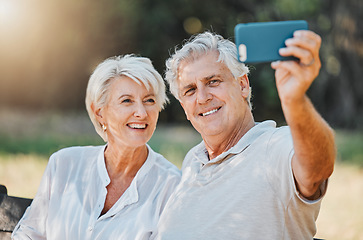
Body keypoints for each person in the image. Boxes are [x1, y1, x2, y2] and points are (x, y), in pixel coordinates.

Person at [154, 30, 336, 239]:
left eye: (213, 81)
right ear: (184, 107)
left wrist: (295, 101)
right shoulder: (192, 161)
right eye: (190, 90)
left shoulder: (274, 146)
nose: (202, 98)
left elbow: (317, 167)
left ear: (242, 85)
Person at [12, 55, 181, 239]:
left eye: (149, 100)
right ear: (100, 112)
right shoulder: (63, 165)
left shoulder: (172, 186)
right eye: (127, 101)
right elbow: (29, 234)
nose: (141, 113)